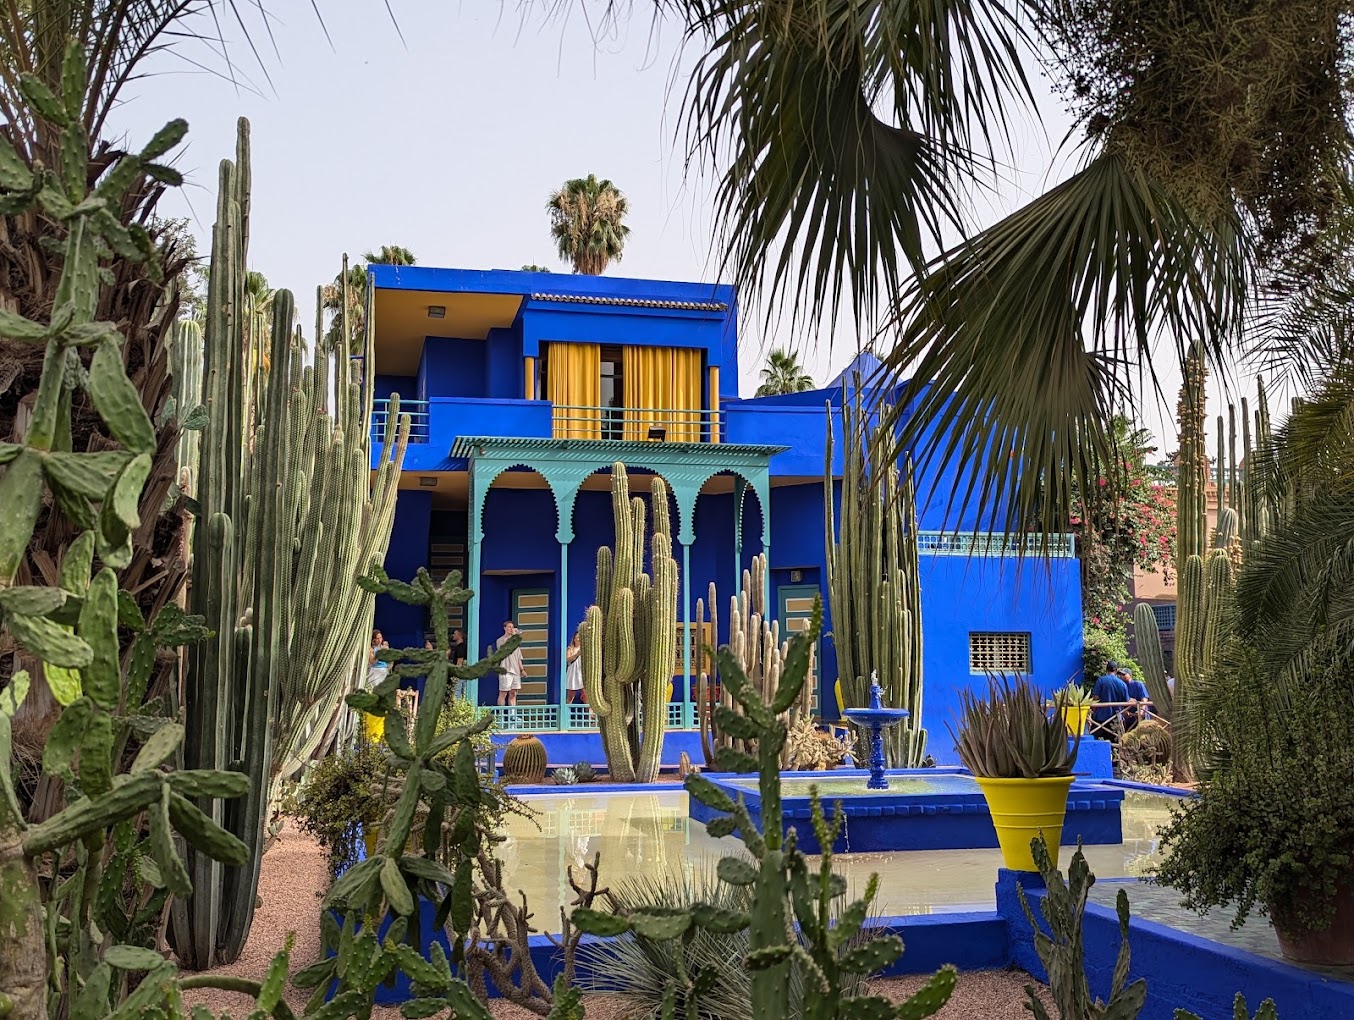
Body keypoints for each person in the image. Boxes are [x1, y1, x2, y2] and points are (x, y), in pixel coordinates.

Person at [1090, 660, 1129, 740]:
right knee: (1116, 742)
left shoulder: (1101, 680)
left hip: (1100, 718)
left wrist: (1092, 710)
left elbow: (1096, 698)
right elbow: (1126, 701)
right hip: (1116, 718)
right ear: (1116, 670)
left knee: (1099, 741)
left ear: (1106, 669)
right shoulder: (1122, 684)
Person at [496, 619, 523, 707]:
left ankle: (512, 713)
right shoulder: (501, 640)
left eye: (512, 627)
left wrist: (522, 669)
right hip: (506, 669)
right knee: (503, 693)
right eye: (509, 627)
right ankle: (501, 713)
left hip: (516, 670)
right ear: (505, 628)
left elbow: (518, 657)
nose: (511, 629)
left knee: (513, 693)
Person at [564, 628, 584, 703]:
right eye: (577, 637)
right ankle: (566, 709)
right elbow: (567, 659)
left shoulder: (584, 649)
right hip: (573, 673)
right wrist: (577, 654)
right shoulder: (570, 649)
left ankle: (589, 710)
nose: (579, 639)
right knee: (570, 696)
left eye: (580, 638)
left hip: (582, 672)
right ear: (574, 639)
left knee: (586, 695)